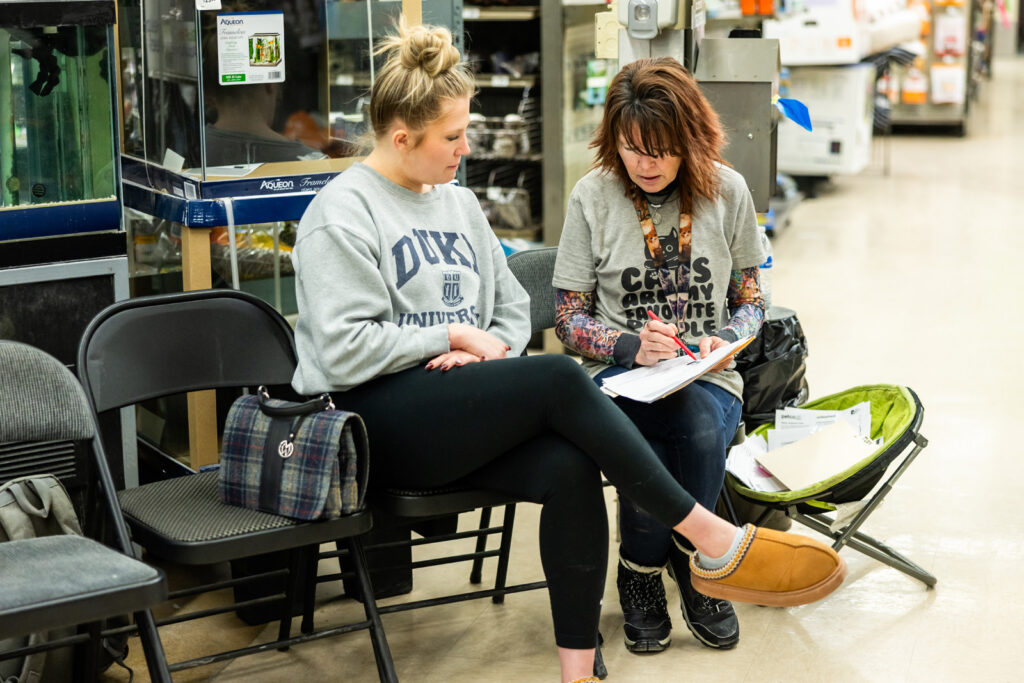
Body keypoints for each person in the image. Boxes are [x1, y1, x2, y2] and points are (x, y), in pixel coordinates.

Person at [291, 22, 845, 683]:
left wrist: (484, 350)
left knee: (570, 468)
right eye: (453, 137)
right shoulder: (342, 212)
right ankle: (711, 537)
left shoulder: (459, 204)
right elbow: (343, 349)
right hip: (373, 421)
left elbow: (503, 306)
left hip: (457, 403)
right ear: (402, 137)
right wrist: (449, 336)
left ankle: (577, 673)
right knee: (558, 377)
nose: (466, 150)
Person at [552, 56, 770, 655]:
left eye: (660, 149)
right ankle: (698, 561)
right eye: (631, 148)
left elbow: (753, 301)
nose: (645, 164)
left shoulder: (728, 190)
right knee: (675, 431)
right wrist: (627, 346)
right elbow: (568, 318)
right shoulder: (592, 195)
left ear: (689, 142)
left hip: (710, 377)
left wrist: (728, 338)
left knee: (695, 421)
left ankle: (643, 567)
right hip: (619, 381)